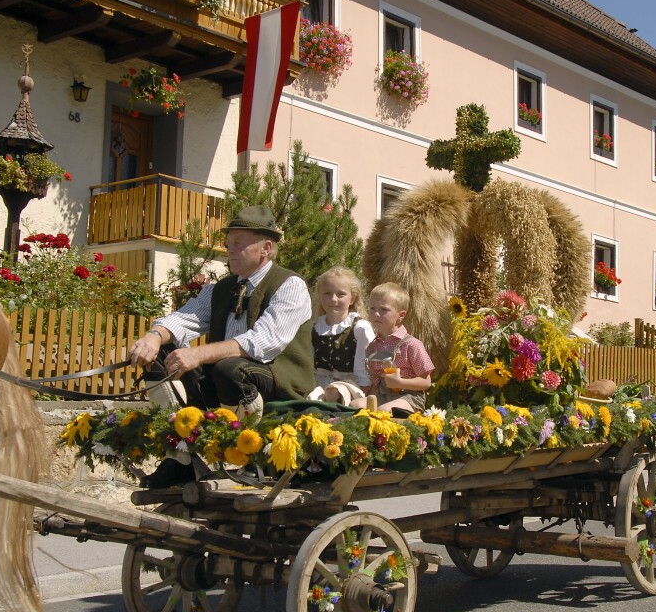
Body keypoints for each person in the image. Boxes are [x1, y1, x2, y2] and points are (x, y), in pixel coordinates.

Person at [128, 205, 315, 487]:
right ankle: (181, 455)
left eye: (238, 243)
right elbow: (185, 318)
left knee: (230, 368)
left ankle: (252, 455)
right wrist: (153, 336)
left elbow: (263, 342)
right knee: (161, 355)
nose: (229, 249)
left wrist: (199, 354)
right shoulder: (220, 288)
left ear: (265, 248)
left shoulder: (290, 284)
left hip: (277, 382)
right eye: (228, 243)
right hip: (225, 381)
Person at [349, 282, 434, 413]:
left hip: (409, 396)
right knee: (355, 406)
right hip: (382, 395)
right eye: (372, 308)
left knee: (384, 411)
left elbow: (426, 382)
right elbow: (375, 380)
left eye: (384, 309)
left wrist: (399, 382)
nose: (376, 314)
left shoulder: (411, 344)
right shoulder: (373, 346)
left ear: (401, 315)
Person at [307, 267, 376, 405]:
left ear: (352, 299)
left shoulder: (359, 328)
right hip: (319, 385)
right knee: (313, 399)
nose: (333, 299)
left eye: (340, 294)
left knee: (334, 391)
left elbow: (365, 366)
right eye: (327, 293)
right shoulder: (313, 328)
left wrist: (364, 393)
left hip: (350, 387)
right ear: (320, 297)